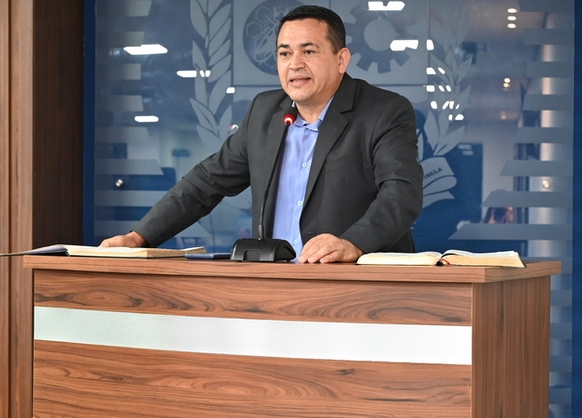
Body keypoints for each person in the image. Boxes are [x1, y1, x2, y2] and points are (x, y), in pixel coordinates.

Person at [101, 5, 423, 263]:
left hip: (357, 287)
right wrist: (139, 237)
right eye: (284, 53)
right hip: (273, 284)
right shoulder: (265, 112)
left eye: (309, 51)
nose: (294, 64)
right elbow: (206, 183)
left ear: (341, 60)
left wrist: (353, 243)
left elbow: (401, 193)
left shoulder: (383, 111)